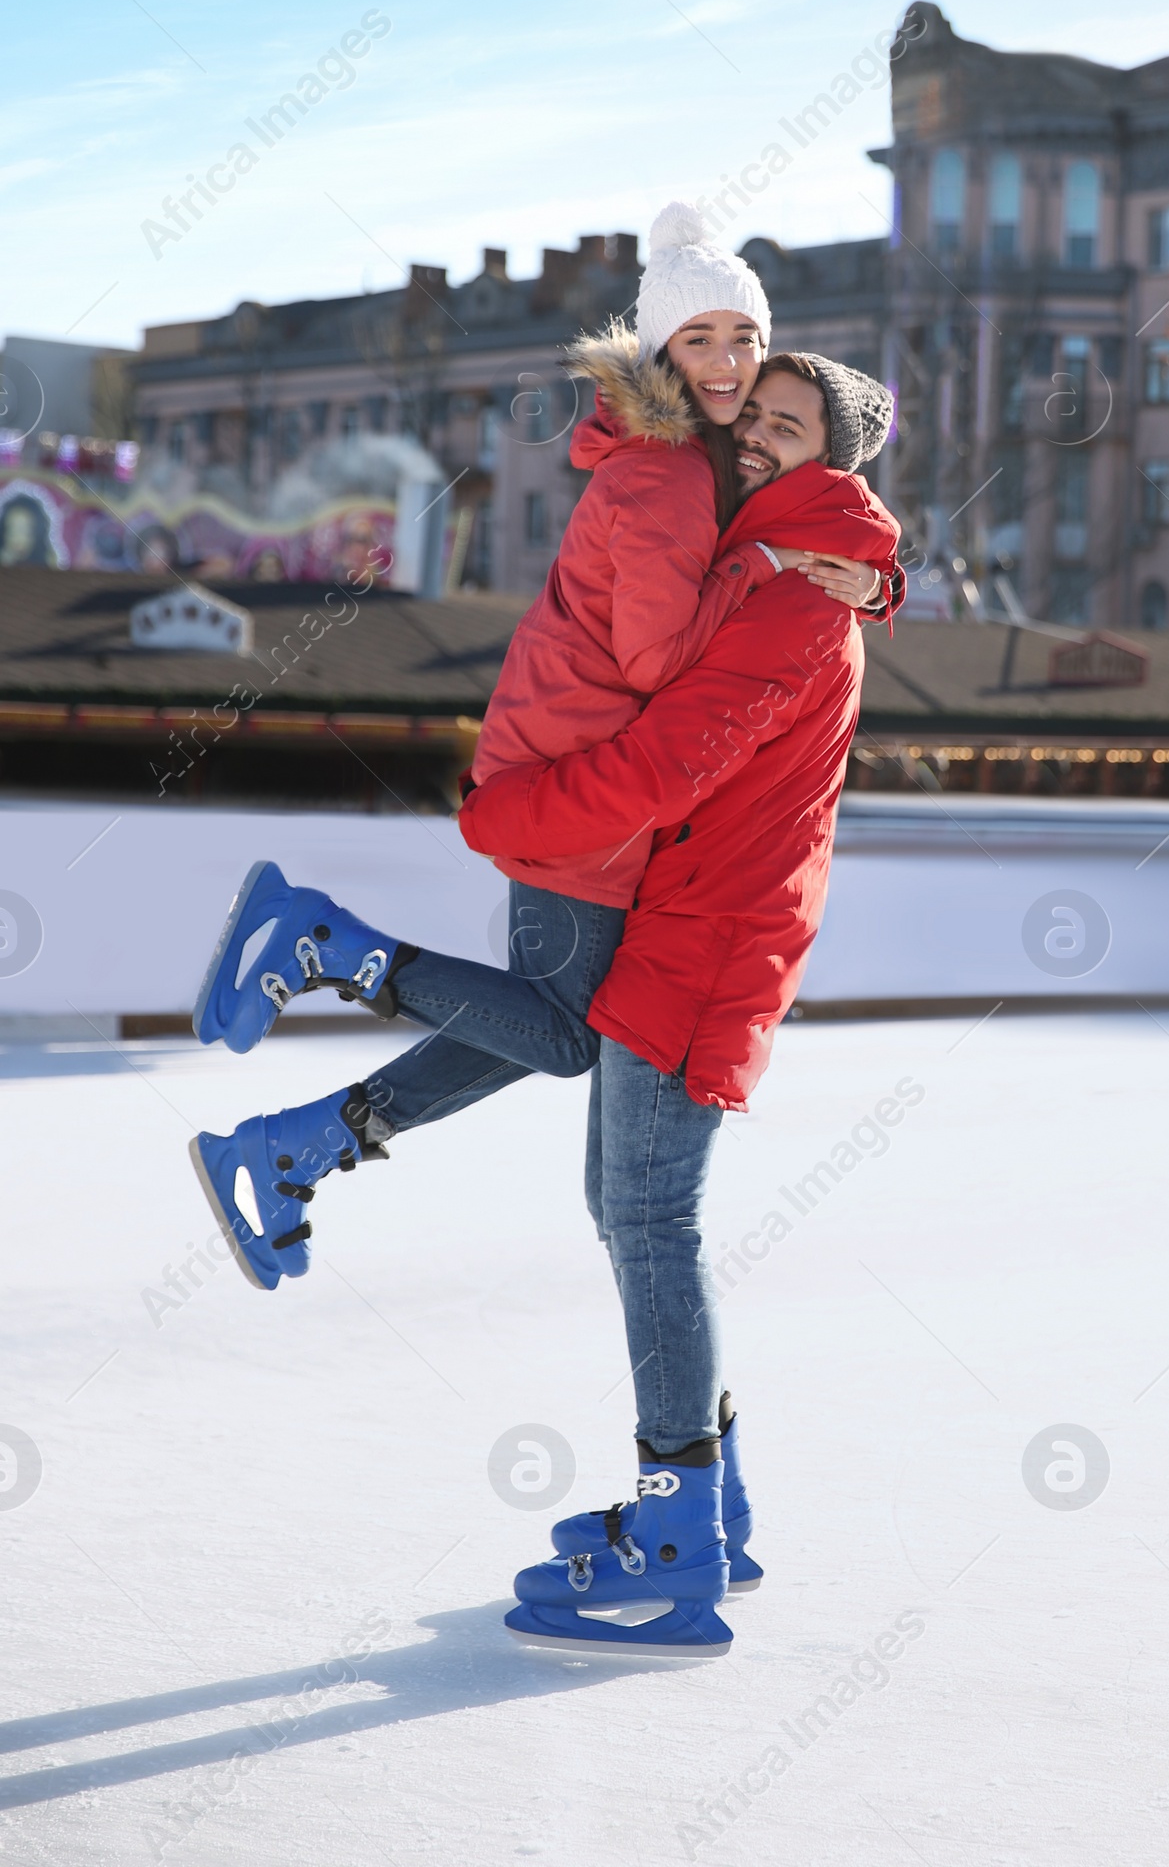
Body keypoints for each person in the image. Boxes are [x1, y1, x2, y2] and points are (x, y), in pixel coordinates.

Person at [187, 346, 900, 1663]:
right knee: (624, 1197)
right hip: (692, 923)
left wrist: (509, 812)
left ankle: (677, 1529)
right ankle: (712, 1507)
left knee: (644, 1220)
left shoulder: (800, 592)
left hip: (704, 941)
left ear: (837, 458)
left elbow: (677, 753)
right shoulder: (777, 557)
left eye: (792, 429)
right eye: (761, 419)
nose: (759, 440)